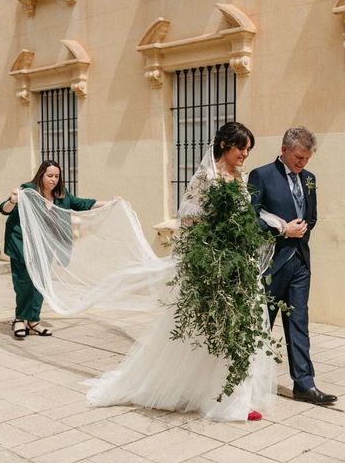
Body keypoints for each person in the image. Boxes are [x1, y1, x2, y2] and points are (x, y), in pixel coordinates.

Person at [83, 122, 276, 421]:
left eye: (248, 150)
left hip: (240, 265)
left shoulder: (239, 177)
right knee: (214, 333)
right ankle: (215, 398)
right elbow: (187, 218)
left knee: (241, 331)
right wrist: (215, 239)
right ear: (225, 145)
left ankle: (235, 396)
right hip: (216, 263)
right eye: (241, 148)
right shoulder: (205, 178)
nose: (244, 155)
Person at [248, 126, 337, 405]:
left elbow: (312, 217)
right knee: (263, 324)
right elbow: (250, 219)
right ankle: (249, 381)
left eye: (307, 159)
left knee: (299, 322)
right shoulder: (261, 175)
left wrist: (301, 228)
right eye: (299, 157)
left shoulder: (309, 179)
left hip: (300, 262)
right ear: (284, 150)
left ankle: (304, 383)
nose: (303, 163)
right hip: (271, 264)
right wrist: (282, 229)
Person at [0, 159, 111, 339]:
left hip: (45, 246)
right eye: (50, 175)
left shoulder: (61, 195)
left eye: (57, 176)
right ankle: (20, 319)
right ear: (41, 175)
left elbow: (81, 203)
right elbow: (4, 209)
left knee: (41, 284)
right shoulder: (27, 191)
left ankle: (34, 321)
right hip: (22, 245)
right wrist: (13, 200)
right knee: (24, 283)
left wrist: (110, 202)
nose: (53, 179)